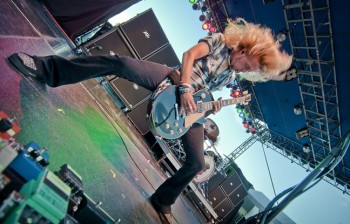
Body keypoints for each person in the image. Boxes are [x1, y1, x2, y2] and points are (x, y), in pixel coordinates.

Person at [7, 18, 292, 224]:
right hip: (173, 80)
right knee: (118, 62)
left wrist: (209, 108)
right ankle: (45, 69)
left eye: (250, 71)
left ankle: (162, 200)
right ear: (247, 50)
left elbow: (204, 96)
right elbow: (189, 55)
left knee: (195, 163)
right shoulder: (220, 41)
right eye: (248, 65)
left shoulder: (230, 76)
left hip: (189, 108)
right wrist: (184, 87)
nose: (245, 70)